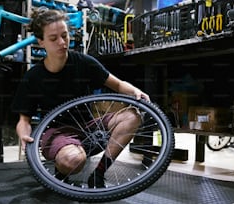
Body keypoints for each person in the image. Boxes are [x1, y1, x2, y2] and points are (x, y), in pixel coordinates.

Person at [11, 7, 150, 188]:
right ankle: (63, 168)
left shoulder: (84, 63)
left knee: (132, 116)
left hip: (89, 128)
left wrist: (135, 92)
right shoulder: (33, 77)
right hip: (57, 133)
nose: (62, 42)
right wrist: (23, 135)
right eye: (53, 38)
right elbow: (24, 120)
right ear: (41, 42)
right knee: (73, 160)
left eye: (65, 35)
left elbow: (117, 84)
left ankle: (98, 174)